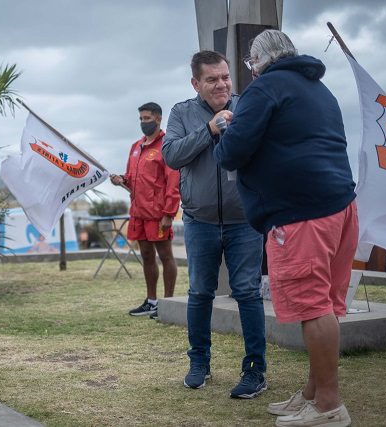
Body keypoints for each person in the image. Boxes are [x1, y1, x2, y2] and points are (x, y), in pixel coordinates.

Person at [214, 30, 358, 427]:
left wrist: (224, 127)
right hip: (340, 205)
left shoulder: (265, 89)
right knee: (324, 304)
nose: (250, 71)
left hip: (300, 214)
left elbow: (232, 153)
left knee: (312, 307)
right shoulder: (318, 88)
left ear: (258, 61)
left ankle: (329, 405)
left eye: (249, 64)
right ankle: (312, 393)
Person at [162, 51, 267, 398]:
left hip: (244, 221)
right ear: (196, 83)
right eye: (212, 79)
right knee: (200, 293)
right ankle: (199, 363)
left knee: (248, 293)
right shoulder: (181, 112)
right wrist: (209, 130)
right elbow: (172, 155)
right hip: (199, 220)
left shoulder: (248, 104)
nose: (221, 84)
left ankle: (254, 370)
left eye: (225, 76)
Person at [110, 102, 180, 318]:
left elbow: (173, 181)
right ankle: (151, 301)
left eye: (147, 119)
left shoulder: (167, 145)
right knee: (147, 256)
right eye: (141, 119)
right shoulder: (136, 147)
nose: (143, 123)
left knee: (165, 256)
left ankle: (167, 305)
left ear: (158, 119)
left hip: (158, 214)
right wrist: (121, 180)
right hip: (138, 213)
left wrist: (169, 213)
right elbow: (133, 181)